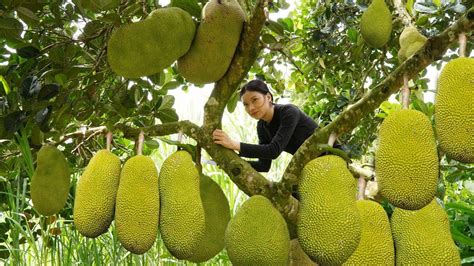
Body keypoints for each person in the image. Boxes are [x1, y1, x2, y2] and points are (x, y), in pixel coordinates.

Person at [212, 79, 318, 172]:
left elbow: (273, 151)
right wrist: (232, 162)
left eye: (255, 100)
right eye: (246, 105)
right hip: (312, 167)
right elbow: (264, 166)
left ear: (268, 97)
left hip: (329, 155)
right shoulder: (262, 127)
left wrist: (233, 144)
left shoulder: (289, 112)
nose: (251, 108)